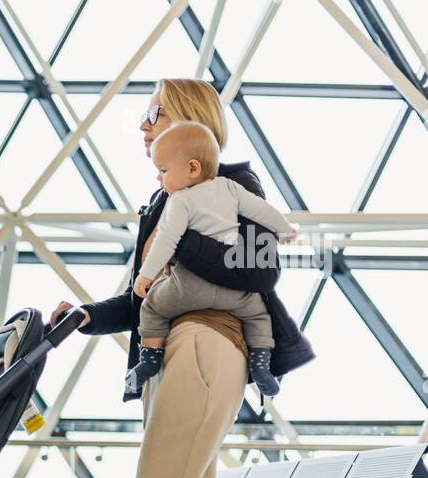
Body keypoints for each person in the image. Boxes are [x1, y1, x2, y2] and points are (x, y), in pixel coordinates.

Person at [50, 79, 313, 478]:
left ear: (190, 121)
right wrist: (86, 314)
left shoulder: (232, 186)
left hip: (204, 346)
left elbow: (256, 269)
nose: (143, 127)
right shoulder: (166, 200)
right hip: (175, 354)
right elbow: (144, 297)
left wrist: (187, 214)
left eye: (153, 114)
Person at [125, 121, 298, 397]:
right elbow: (262, 211)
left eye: (163, 171)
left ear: (192, 168)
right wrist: (285, 230)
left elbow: (166, 242)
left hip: (188, 287)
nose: (159, 179)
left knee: (153, 307)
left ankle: (148, 361)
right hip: (234, 291)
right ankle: (261, 366)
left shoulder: (179, 200)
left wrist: (146, 276)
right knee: (259, 316)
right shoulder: (231, 188)